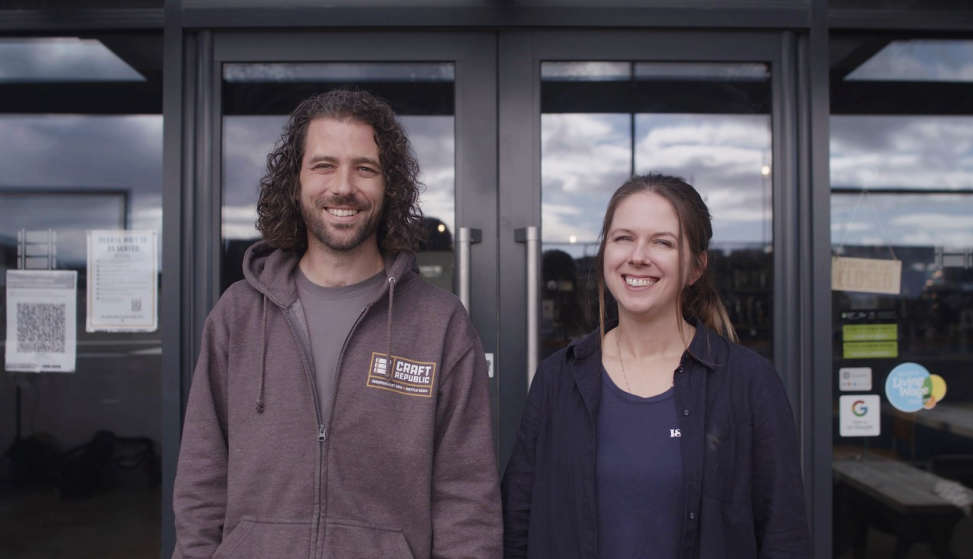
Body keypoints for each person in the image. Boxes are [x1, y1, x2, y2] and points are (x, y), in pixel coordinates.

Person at [172, 89, 501, 559]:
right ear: (296, 180)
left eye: (365, 168)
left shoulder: (440, 325)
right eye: (324, 165)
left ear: (390, 187)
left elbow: (467, 500)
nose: (343, 186)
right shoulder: (237, 315)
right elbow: (200, 481)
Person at [501, 174, 810, 559]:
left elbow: (784, 537)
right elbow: (517, 524)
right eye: (623, 238)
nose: (638, 256)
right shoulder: (558, 378)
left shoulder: (749, 384)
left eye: (662, 242)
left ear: (695, 268)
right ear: (606, 254)